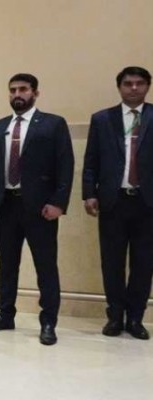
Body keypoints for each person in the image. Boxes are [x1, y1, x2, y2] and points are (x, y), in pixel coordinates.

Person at [0, 73, 74, 346]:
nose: (17, 94)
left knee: (45, 265)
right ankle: (5, 314)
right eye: (12, 90)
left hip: (40, 208)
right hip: (6, 206)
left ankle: (48, 321)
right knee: (7, 264)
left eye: (23, 89)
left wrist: (58, 203)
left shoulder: (53, 124)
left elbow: (65, 165)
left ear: (35, 93)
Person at [82, 66, 153, 340]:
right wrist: (89, 193)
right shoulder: (102, 119)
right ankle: (114, 316)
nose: (133, 88)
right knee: (111, 262)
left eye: (139, 83)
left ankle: (135, 318)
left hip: (147, 203)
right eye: (128, 83)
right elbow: (91, 161)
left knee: (144, 263)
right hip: (113, 201)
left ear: (147, 86)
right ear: (119, 87)